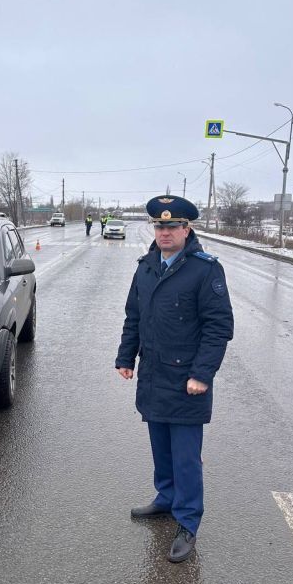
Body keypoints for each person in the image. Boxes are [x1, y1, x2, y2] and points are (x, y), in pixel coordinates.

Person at [115, 195, 233, 563]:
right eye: (159, 226)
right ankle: (166, 498)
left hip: (186, 380)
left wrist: (202, 374)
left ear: (187, 228)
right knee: (161, 446)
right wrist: (125, 356)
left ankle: (188, 522)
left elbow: (219, 328)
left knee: (185, 457)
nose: (165, 232)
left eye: (172, 226)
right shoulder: (146, 266)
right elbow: (134, 316)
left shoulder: (205, 269)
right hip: (153, 374)